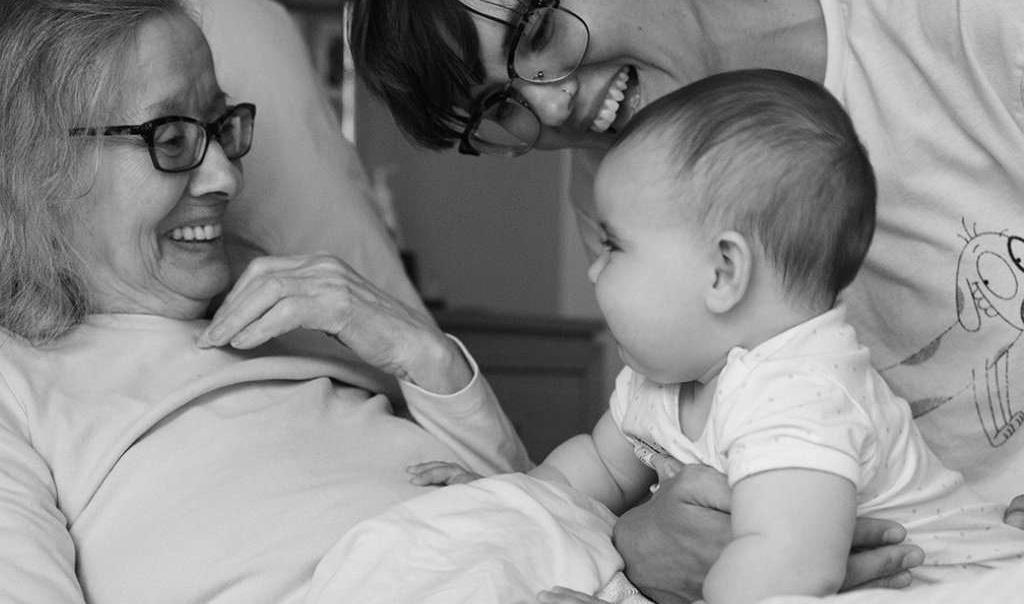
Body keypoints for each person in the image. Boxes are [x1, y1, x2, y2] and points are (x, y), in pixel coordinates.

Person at [349, 0, 1024, 601]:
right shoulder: (615, 191)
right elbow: (656, 451)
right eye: (499, 105)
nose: (554, 100)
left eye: (536, 31)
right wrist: (635, 542)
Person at [0, 0, 528, 604]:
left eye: (221, 126)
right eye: (169, 138)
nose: (224, 178)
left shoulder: (302, 306)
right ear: (36, 165)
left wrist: (422, 353)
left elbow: (532, 512)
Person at [411, 69, 1024, 604]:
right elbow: (589, 473)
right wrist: (509, 506)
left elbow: (781, 574)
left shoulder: (799, 393)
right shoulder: (664, 377)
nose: (595, 268)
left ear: (723, 273)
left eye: (614, 245)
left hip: (952, 585)